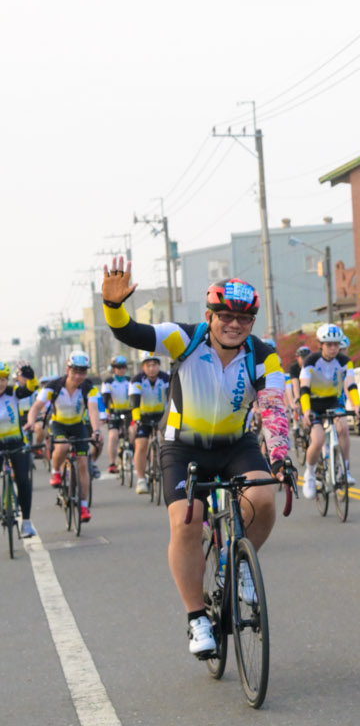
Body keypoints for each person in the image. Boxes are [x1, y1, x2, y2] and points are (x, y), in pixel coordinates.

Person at [100, 262, 291, 661]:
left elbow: (273, 408)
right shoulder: (184, 338)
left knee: (264, 497)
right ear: (209, 316)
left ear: (252, 322)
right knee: (186, 522)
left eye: (243, 318)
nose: (234, 324)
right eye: (225, 316)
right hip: (183, 446)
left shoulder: (263, 355)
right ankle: (197, 618)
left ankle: (237, 564)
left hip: (235, 444)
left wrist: (279, 457)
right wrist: (113, 307)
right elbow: (131, 332)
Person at [29, 352, 102, 523]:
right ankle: (56, 471)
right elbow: (36, 407)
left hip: (78, 426)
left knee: (83, 464)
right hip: (59, 424)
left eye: (82, 372)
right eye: (75, 371)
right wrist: (31, 422)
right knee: (61, 447)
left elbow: (93, 410)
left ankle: (83, 505)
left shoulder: (89, 388)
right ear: (67, 369)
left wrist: (96, 431)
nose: (78, 376)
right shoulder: (53, 386)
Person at [298, 325, 360, 498]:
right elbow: (304, 388)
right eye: (329, 344)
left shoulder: (344, 361)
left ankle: (344, 471)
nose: (333, 348)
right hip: (312, 403)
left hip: (332, 401)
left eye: (336, 344)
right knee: (318, 440)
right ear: (320, 344)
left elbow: (351, 384)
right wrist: (306, 411)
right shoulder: (311, 361)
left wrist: (357, 405)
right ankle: (310, 474)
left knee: (343, 429)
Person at [0, 363, 36, 538]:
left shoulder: (13, 392)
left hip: (16, 443)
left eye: (3, 379)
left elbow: (29, 389)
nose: (0, 383)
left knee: (23, 480)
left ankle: (26, 523)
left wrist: (30, 376)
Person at [130, 353, 169, 494]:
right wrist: (136, 419)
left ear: (159, 365)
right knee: (141, 445)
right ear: (143, 367)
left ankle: (161, 467)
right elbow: (134, 402)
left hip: (161, 415)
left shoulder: (166, 378)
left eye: (154, 365)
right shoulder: (137, 380)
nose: (152, 368)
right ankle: (141, 479)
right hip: (143, 416)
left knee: (166, 441)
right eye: (148, 365)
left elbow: (171, 398)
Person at [101, 354, 137, 483]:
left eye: (123, 367)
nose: (121, 370)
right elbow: (105, 399)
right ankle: (112, 463)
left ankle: (133, 453)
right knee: (113, 436)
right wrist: (105, 413)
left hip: (128, 412)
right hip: (114, 413)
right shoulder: (108, 382)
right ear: (113, 369)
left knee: (133, 432)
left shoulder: (130, 380)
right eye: (118, 367)